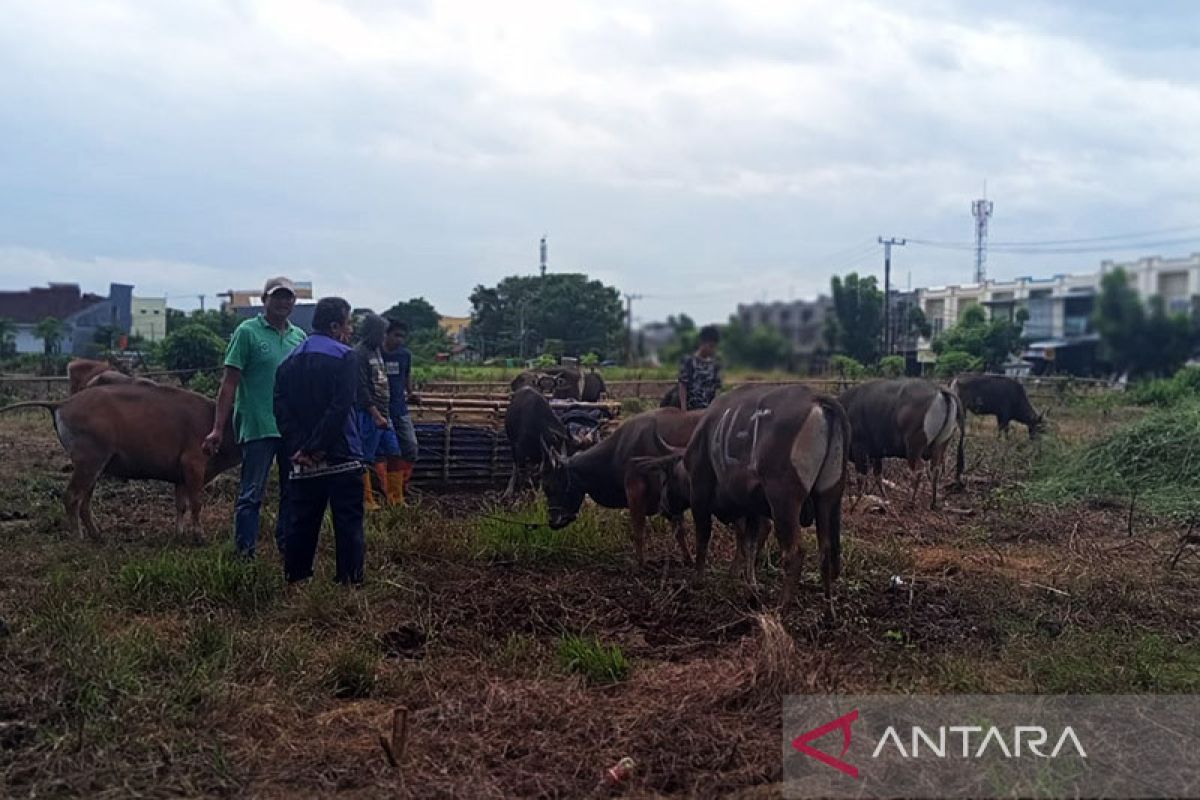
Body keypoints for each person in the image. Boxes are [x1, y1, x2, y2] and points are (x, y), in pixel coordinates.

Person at [204, 277, 306, 558]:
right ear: (264, 300)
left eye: (289, 298)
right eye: (278, 297)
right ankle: (244, 553)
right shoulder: (247, 332)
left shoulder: (299, 337)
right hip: (259, 424)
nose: (284, 302)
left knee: (292, 490)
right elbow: (229, 383)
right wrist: (217, 428)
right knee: (252, 493)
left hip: (290, 428)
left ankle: (286, 546)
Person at [274, 297, 365, 585]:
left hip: (301, 460)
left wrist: (301, 448)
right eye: (348, 323)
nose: (349, 331)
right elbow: (340, 408)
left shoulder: (287, 362)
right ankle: (349, 580)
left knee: (301, 521)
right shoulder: (346, 357)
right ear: (336, 326)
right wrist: (317, 446)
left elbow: (281, 410)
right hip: (341, 456)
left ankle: (297, 578)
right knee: (348, 522)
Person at [354, 313, 395, 510]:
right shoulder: (359, 353)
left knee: (392, 452)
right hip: (369, 414)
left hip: (384, 411)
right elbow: (361, 389)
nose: (383, 337)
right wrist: (376, 415)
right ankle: (366, 499)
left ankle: (393, 497)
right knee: (364, 456)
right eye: (381, 333)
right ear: (371, 333)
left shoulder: (377, 350)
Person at [381, 318, 419, 504]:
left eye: (402, 336)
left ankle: (401, 486)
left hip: (399, 408)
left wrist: (411, 393)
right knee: (384, 452)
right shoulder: (375, 354)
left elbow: (406, 375)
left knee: (410, 447)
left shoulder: (404, 355)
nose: (400, 340)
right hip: (379, 410)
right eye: (396, 335)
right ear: (386, 334)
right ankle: (385, 491)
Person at [678, 324, 723, 411]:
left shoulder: (715, 365)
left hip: (708, 411)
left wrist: (715, 409)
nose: (712, 349)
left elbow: (717, 389)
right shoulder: (689, 362)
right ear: (702, 343)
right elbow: (682, 386)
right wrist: (683, 409)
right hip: (691, 411)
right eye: (710, 346)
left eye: (714, 347)